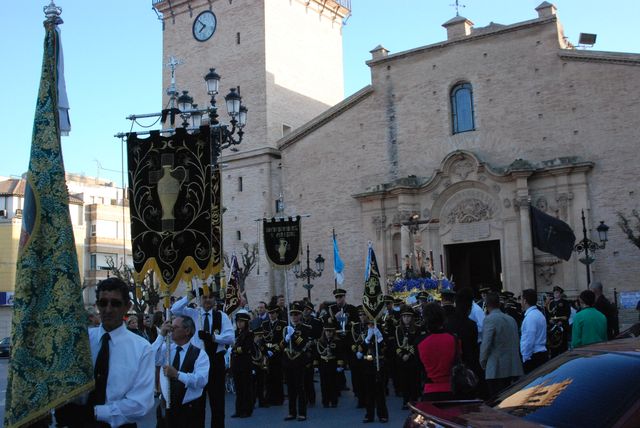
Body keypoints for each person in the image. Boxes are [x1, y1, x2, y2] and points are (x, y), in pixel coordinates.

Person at [55, 277, 155, 427]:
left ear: (127, 306)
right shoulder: (82, 341)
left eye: (115, 303)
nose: (108, 309)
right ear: (97, 305)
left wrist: (95, 412)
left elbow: (140, 404)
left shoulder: (142, 348)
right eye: (103, 303)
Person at [171, 288, 234, 428]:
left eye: (210, 297)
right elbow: (174, 310)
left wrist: (212, 337)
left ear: (214, 299)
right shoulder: (193, 313)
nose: (207, 300)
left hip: (215, 361)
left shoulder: (221, 316)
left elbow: (230, 337)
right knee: (196, 402)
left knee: (217, 402)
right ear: (200, 299)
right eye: (204, 297)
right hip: (197, 361)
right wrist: (190, 296)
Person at [154, 315, 209, 428]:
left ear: (187, 331)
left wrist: (177, 375)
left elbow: (201, 381)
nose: (170, 330)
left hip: (188, 410)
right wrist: (161, 335)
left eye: (174, 327)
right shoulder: (166, 348)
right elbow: (150, 357)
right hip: (166, 407)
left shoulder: (200, 354)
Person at [479, 292, 523, 397]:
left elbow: (486, 344)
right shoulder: (511, 319)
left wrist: (483, 362)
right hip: (513, 367)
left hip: (496, 369)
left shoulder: (489, 319)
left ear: (486, 304)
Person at [417, 303, 456, 401]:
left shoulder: (420, 342)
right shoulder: (453, 339)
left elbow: (419, 367)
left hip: (429, 390)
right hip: (451, 389)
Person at [282, 302, 312, 421]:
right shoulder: (286, 328)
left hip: (299, 360)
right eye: (292, 314)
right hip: (288, 361)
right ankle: (291, 412)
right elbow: (281, 345)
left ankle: (302, 413)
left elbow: (303, 344)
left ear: (300, 315)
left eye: (296, 314)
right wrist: (286, 338)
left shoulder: (305, 328)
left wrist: (293, 335)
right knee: (290, 388)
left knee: (300, 387)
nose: (294, 317)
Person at [358, 319, 388, 423]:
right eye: (369, 325)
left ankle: (383, 415)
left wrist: (379, 338)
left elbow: (384, 348)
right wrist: (367, 339)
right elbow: (361, 348)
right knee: (369, 393)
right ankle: (369, 415)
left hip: (379, 366)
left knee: (380, 393)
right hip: (368, 367)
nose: (370, 327)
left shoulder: (381, 337)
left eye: (372, 325)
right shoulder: (367, 337)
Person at [394, 305, 422, 409]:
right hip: (402, 359)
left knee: (414, 380)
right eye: (404, 316)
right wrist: (402, 355)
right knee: (404, 380)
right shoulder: (398, 329)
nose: (406, 318)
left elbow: (417, 343)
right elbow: (397, 344)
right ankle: (405, 401)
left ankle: (414, 401)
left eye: (409, 316)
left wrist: (409, 354)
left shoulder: (417, 328)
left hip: (413, 358)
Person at [315, 318, 345, 408]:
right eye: (327, 331)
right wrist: (315, 365)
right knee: (324, 384)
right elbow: (317, 354)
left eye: (330, 331)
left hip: (333, 364)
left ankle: (334, 401)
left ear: (333, 332)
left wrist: (340, 365)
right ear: (324, 332)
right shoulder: (320, 342)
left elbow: (340, 354)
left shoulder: (337, 342)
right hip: (323, 364)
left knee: (333, 384)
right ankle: (325, 401)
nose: (328, 333)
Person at [230, 310, 254, 418]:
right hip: (236, 364)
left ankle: (246, 410)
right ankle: (238, 410)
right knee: (238, 388)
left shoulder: (249, 333)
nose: (239, 323)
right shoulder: (235, 333)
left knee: (246, 388)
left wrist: (234, 350)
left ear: (246, 322)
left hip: (245, 363)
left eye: (242, 322)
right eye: (238, 321)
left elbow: (246, 348)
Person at [262, 303, 287, 406]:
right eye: (269, 313)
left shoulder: (283, 324)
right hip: (267, 353)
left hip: (278, 354)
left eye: (273, 313)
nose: (271, 315)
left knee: (277, 377)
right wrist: (266, 351)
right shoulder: (265, 324)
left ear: (277, 313)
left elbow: (284, 340)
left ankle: (279, 399)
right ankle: (269, 397)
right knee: (268, 378)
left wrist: (276, 349)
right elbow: (263, 339)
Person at [520, 289, 548, 373]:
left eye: (521, 299)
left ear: (525, 301)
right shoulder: (539, 314)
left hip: (534, 356)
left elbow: (529, 340)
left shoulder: (530, 317)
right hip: (540, 354)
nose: (520, 302)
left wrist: (525, 357)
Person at [545, 286, 571, 357]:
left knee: (563, 347)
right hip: (552, 327)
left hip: (562, 326)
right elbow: (547, 313)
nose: (555, 294)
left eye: (557, 292)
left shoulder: (565, 302)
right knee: (553, 348)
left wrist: (561, 322)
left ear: (560, 293)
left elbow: (567, 314)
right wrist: (549, 320)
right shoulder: (550, 303)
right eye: (554, 292)